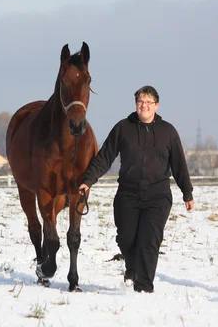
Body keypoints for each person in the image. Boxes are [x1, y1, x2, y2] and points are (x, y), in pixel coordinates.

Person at [79, 85, 194, 293]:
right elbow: (105, 157)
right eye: (140, 102)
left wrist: (187, 192)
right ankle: (132, 268)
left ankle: (143, 288)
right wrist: (88, 180)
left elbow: (179, 164)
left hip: (158, 196)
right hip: (128, 194)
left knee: (149, 241)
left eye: (149, 102)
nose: (144, 106)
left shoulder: (168, 131)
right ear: (136, 104)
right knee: (126, 238)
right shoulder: (123, 128)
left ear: (156, 105)